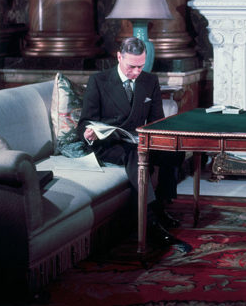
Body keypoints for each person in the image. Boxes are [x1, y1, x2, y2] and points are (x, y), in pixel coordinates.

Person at [77, 37, 191, 252]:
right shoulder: (99, 81)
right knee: (137, 155)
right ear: (119, 57)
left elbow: (157, 120)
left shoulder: (150, 81)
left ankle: (161, 206)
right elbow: (85, 121)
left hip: (137, 139)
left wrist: (163, 137)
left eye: (141, 66)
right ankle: (150, 223)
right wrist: (88, 132)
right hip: (108, 144)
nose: (137, 72)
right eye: (132, 67)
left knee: (173, 151)